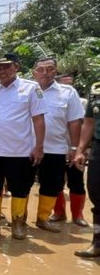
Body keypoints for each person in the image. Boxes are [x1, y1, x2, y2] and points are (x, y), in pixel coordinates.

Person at [0, 54, 46, 240]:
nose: (2, 71)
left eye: (6, 67)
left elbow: (38, 119)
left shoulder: (30, 88)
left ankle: (18, 224)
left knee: (20, 189)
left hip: (19, 151)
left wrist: (39, 146)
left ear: (16, 67)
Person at [31, 58, 84, 232]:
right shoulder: (26, 91)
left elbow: (75, 122)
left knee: (51, 184)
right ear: (34, 72)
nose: (45, 73)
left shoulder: (67, 92)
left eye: (50, 69)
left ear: (56, 71)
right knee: (22, 184)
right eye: (41, 69)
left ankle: (43, 219)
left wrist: (75, 148)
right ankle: (20, 219)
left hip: (55, 148)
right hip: (27, 148)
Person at [49, 73, 89, 227]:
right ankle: (58, 212)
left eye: (71, 82)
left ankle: (78, 215)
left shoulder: (84, 102)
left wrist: (83, 148)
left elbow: (87, 125)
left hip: (77, 149)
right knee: (55, 183)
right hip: (56, 148)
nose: (69, 85)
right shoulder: (49, 99)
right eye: (65, 83)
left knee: (77, 182)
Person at [74, 82, 100, 257]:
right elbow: (89, 122)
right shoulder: (97, 89)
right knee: (97, 193)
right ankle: (97, 243)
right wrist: (80, 149)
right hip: (99, 147)